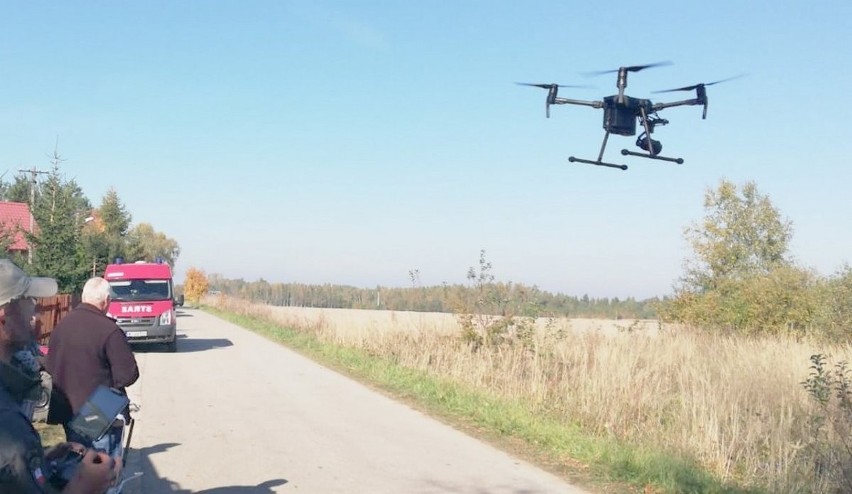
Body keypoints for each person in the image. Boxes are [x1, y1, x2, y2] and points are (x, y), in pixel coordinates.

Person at [0, 258, 118, 493]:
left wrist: (38, 461)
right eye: (27, 300)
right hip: (95, 412)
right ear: (4, 317)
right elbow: (128, 373)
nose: (35, 310)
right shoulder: (7, 421)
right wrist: (85, 486)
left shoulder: (63, 325)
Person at [46, 277, 139, 446]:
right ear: (106, 301)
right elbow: (128, 375)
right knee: (102, 465)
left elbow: (51, 366)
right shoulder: (109, 330)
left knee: (78, 465)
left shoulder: (61, 326)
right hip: (99, 409)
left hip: (67, 407)